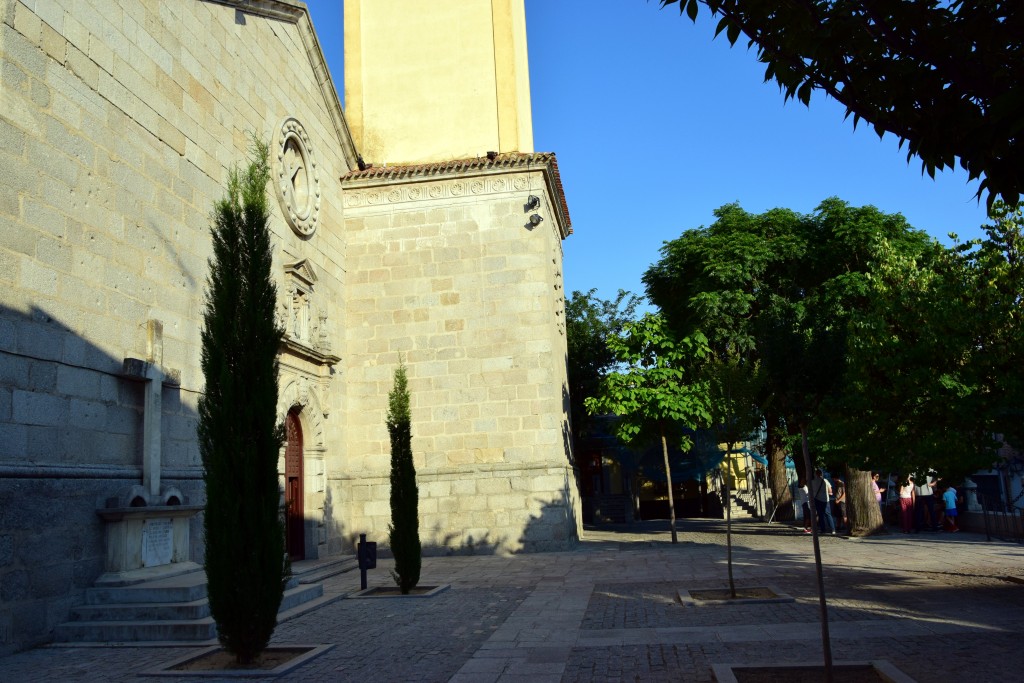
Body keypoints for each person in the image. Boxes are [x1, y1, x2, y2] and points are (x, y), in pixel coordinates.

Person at [810, 469, 835, 534]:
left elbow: (811, 491)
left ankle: (823, 529)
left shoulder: (812, 482)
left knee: (820, 515)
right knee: (828, 514)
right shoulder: (825, 481)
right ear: (821, 474)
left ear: (815, 474)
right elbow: (830, 490)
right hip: (825, 499)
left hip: (817, 499)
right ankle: (833, 529)